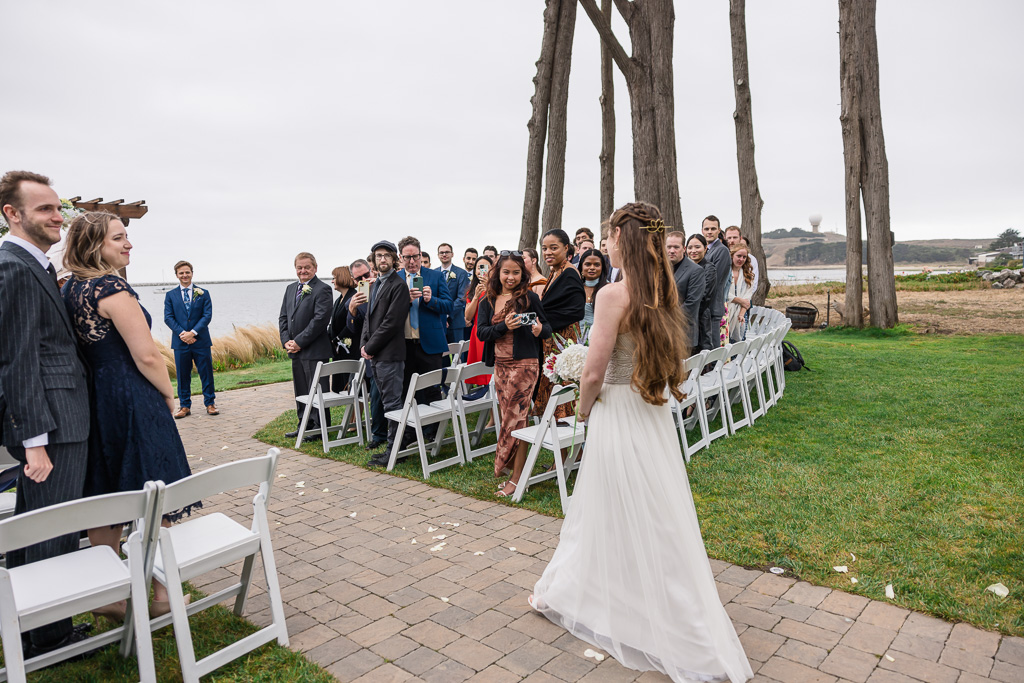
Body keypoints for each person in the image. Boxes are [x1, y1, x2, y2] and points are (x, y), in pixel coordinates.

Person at [531, 201, 752, 683]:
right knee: (654, 507)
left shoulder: (613, 294)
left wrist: (583, 409)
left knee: (605, 504)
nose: (603, 243)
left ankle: (617, 604)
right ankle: (630, 597)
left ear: (621, 240)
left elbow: (593, 369)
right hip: (649, 411)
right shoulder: (662, 289)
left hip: (616, 410)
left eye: (609, 235)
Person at [62, 211, 198, 620]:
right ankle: (161, 594)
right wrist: (170, 396)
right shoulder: (110, 287)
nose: (129, 244)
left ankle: (107, 592)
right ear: (94, 245)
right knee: (155, 491)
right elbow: (146, 355)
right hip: (131, 396)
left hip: (95, 397)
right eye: (119, 238)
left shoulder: (69, 287)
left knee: (107, 491)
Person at [0, 170, 91, 655]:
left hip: (61, 417)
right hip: (52, 424)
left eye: (59, 208)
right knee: (49, 528)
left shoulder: (34, 262)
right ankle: (44, 637)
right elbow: (16, 358)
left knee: (46, 525)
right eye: (45, 209)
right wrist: (34, 441)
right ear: (12, 214)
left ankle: (36, 626)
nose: (58, 217)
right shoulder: (12, 265)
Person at [475, 252, 551, 498]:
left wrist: (539, 329)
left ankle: (517, 478)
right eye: (506, 272)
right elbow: (482, 333)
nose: (510, 277)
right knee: (508, 418)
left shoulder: (529, 297)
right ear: (498, 273)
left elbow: (547, 328)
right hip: (500, 366)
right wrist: (504, 326)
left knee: (516, 420)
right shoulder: (489, 299)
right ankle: (513, 469)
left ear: (523, 274)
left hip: (525, 366)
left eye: (516, 273)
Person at [395, 236, 453, 443]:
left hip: (430, 343)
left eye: (415, 257)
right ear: (401, 258)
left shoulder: (435, 277)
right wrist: (404, 300)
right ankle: (410, 431)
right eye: (407, 257)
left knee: (431, 390)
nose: (412, 261)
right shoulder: (396, 279)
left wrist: (431, 299)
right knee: (407, 391)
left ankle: (432, 434)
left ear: (421, 255)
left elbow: (449, 306)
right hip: (404, 345)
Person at [360, 241, 411, 466]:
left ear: (393, 259)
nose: (382, 260)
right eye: (378, 256)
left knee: (393, 404)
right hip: (376, 354)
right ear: (374, 260)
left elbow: (391, 323)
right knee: (385, 402)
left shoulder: (398, 286)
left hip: (390, 354)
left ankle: (394, 450)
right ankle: (396, 445)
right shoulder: (374, 285)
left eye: (386, 256)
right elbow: (369, 319)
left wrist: (370, 347)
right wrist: (363, 344)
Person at [279, 252, 333, 439]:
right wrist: (286, 341)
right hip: (295, 350)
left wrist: (299, 342)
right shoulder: (290, 288)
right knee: (301, 389)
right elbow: (284, 317)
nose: (303, 271)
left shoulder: (323, 289)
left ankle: (319, 427)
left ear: (315, 268)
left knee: (317, 390)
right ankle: (304, 424)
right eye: (299, 267)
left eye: (306, 267)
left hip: (315, 350)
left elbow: (320, 320)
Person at [534, 229, 586, 420]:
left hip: (564, 340)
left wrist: (544, 323)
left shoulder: (570, 273)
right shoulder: (556, 271)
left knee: (562, 388)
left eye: (553, 248)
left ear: (566, 248)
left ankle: (566, 431)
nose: (548, 252)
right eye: (544, 248)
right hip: (553, 337)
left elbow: (576, 311)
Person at [164, 260, 217, 417]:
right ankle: (184, 406)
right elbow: (168, 317)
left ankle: (210, 403)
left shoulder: (203, 293)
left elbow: (207, 315)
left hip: (201, 341)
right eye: (181, 273)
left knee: (206, 373)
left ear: (192, 273)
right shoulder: (170, 295)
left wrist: (193, 333)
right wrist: (184, 334)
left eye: (187, 272)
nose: (184, 275)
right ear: (177, 275)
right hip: (181, 343)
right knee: (182, 375)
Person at [346, 259, 388, 450]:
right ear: (354, 281)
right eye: (359, 278)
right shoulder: (354, 300)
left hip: (393, 348)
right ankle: (378, 435)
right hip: (372, 353)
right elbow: (352, 330)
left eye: (366, 275)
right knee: (376, 395)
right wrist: (353, 310)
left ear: (372, 271)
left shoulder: (387, 287)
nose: (364, 279)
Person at [666, 230, 705, 350]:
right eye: (669, 247)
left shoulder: (695, 271)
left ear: (683, 248)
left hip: (682, 334)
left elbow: (691, 304)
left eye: (676, 247)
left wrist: (664, 318)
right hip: (660, 334)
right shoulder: (659, 268)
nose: (672, 251)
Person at [462, 255, 493, 386]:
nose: (482, 271)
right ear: (475, 271)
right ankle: (485, 397)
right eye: (479, 268)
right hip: (477, 332)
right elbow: (468, 317)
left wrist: (489, 289)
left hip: (492, 330)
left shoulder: (497, 289)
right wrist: (475, 296)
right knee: (480, 369)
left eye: (486, 267)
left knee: (491, 369)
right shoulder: (471, 290)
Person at [328, 265, 359, 392]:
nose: (332, 281)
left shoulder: (354, 297)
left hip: (351, 349)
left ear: (342, 278)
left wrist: (337, 339)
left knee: (352, 389)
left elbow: (352, 323)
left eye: (334, 277)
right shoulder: (338, 300)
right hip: (339, 350)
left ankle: (354, 411)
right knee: (341, 389)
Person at [702, 215, 731, 349]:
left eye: (713, 229)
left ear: (719, 230)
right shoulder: (706, 250)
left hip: (713, 307)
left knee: (713, 350)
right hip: (705, 308)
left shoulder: (722, 251)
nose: (709, 231)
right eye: (706, 228)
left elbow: (715, 281)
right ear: (702, 231)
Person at [686, 234, 718, 352]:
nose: (693, 251)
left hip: (700, 319)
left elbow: (705, 297)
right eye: (690, 247)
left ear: (705, 248)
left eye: (697, 247)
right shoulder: (685, 269)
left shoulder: (709, 268)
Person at [436, 242, 470, 344]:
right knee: (442, 356)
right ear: (438, 255)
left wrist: (446, 314)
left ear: (452, 254)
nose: (444, 255)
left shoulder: (461, 273)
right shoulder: (434, 273)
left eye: (447, 252)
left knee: (458, 356)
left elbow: (461, 298)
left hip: (455, 321)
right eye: (441, 253)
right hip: (439, 322)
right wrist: (441, 316)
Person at [726, 243, 755, 342]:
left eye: (744, 257)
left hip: (741, 314)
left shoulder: (748, 275)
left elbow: (747, 298)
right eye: (738, 256)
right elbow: (723, 292)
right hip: (725, 313)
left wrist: (741, 314)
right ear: (732, 255)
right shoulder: (725, 272)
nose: (741, 259)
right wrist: (739, 300)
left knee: (738, 345)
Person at [577, 248, 608, 332]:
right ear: (581, 266)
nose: (592, 268)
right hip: (576, 341)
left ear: (602, 268)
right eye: (588, 264)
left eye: (596, 265)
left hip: (601, 338)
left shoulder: (609, 289)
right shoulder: (575, 289)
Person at [725, 226, 760, 293]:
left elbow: (753, 284)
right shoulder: (722, 257)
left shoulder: (751, 259)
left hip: (745, 299)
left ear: (740, 238)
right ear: (725, 238)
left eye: (735, 237)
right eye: (729, 238)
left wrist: (743, 299)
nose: (732, 241)